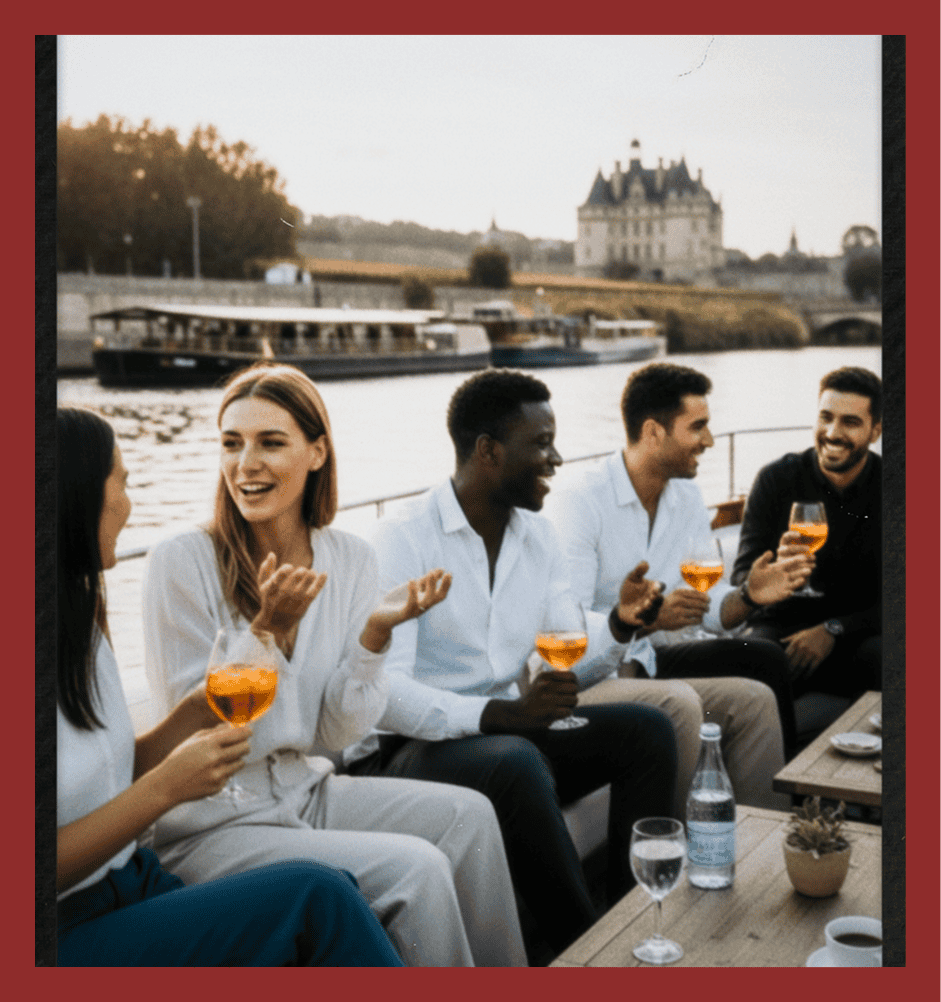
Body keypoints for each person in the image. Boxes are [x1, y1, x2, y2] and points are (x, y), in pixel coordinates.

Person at [141, 363, 526, 968]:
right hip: (212, 824)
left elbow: (334, 735)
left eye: (271, 442)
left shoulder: (348, 558)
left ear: (317, 452)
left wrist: (374, 636)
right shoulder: (180, 561)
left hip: (305, 788)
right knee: (419, 871)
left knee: (470, 816)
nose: (246, 464)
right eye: (231, 443)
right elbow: (209, 736)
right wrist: (266, 634)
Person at [344, 369, 679, 960]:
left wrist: (622, 624)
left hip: (505, 734)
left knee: (646, 731)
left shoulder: (540, 538)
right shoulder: (402, 539)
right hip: (409, 749)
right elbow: (386, 693)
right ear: (488, 452)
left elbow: (564, 652)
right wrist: (499, 713)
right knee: (517, 760)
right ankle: (587, 952)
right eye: (541, 443)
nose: (556, 458)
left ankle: (632, 923)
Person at [56, 406, 403, 967]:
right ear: (74, 496)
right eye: (121, 481)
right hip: (57, 932)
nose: (129, 502)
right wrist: (166, 789)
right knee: (320, 898)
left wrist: (198, 709)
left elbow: (118, 764)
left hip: (131, 881)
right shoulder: (174, 562)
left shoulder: (82, 617)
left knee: (330, 888)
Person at [545, 363, 811, 813]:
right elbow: (561, 633)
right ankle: (682, 854)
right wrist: (641, 622)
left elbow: (706, 606)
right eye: (698, 426)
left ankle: (761, 846)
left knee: (756, 696)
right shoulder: (581, 502)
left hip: (650, 662)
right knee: (688, 699)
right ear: (653, 432)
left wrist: (748, 596)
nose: (709, 440)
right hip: (592, 678)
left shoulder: (685, 496)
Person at [731, 366, 882, 732]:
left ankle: (865, 772)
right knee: (755, 658)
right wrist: (776, 573)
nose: (832, 433)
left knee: (889, 656)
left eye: (850, 422)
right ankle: (777, 770)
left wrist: (833, 628)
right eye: (826, 417)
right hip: (782, 628)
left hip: (858, 633)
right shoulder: (776, 479)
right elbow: (741, 577)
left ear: (875, 431)